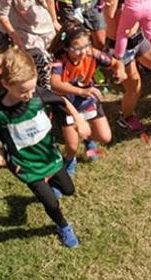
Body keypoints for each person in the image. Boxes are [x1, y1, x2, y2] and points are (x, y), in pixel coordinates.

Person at [0, 49, 82, 249]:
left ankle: (51, 186)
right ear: (5, 85)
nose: (29, 95)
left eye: (32, 88)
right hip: (25, 165)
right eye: (23, 92)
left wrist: (78, 119)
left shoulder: (37, 95)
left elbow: (61, 101)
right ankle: (62, 225)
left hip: (49, 156)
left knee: (68, 190)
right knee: (51, 203)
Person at [48, 25, 114, 172]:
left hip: (87, 100)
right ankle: (70, 160)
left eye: (86, 45)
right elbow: (55, 83)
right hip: (67, 104)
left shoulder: (91, 53)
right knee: (72, 146)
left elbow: (115, 63)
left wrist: (120, 71)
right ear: (66, 48)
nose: (84, 51)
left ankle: (89, 140)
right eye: (77, 48)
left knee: (105, 137)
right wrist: (80, 91)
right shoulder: (59, 61)